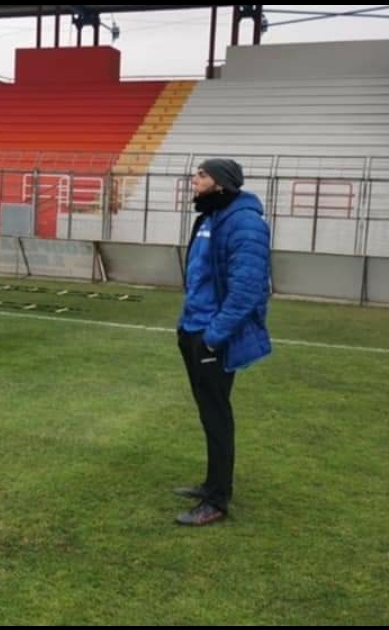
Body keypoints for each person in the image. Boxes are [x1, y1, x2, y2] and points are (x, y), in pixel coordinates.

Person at [174, 158, 273, 527]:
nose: (194, 179)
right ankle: (211, 483)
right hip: (193, 329)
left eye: (202, 174)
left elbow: (247, 289)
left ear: (221, 182)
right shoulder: (210, 216)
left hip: (213, 336)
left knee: (217, 415)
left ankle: (217, 500)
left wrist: (214, 337)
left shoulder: (245, 223)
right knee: (207, 411)